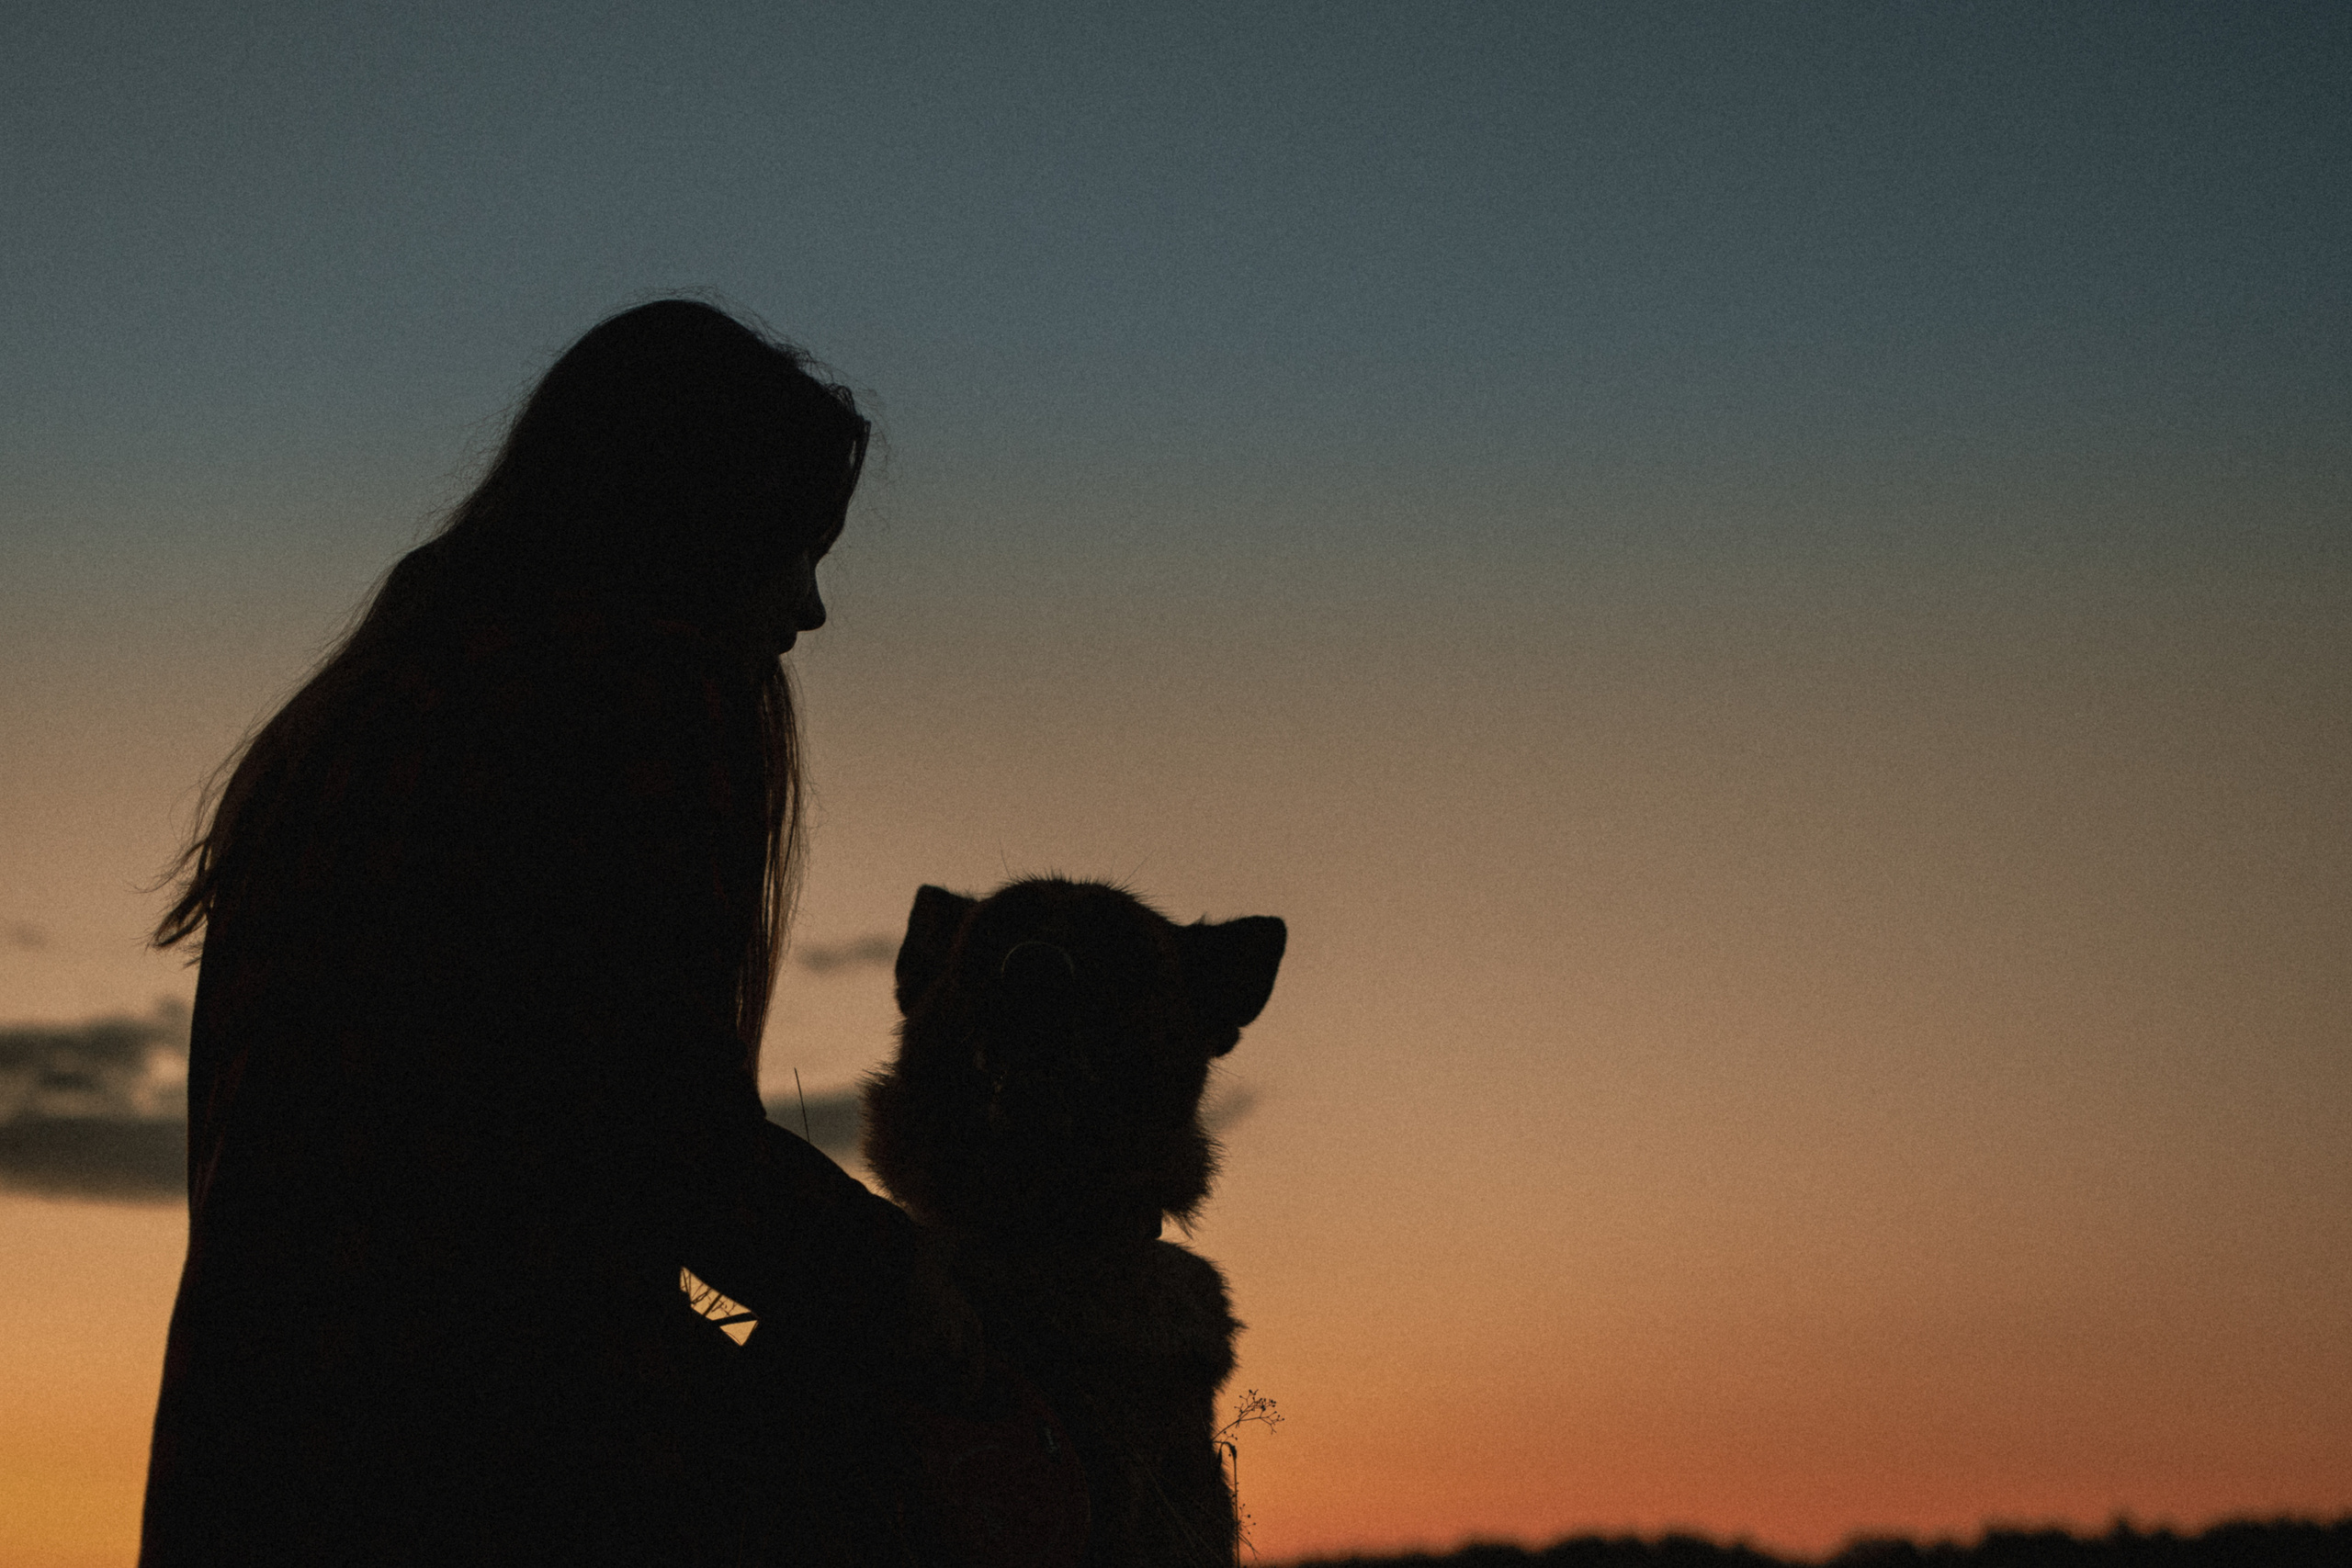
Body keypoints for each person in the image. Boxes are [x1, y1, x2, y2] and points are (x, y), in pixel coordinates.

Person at [141, 300, 922, 1566]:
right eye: (797, 548)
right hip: (502, 1472)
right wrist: (939, 1301)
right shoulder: (629, 699)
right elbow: (645, 1133)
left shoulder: (366, 722)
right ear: (702, 519)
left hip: (259, 1463)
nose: (811, 609)